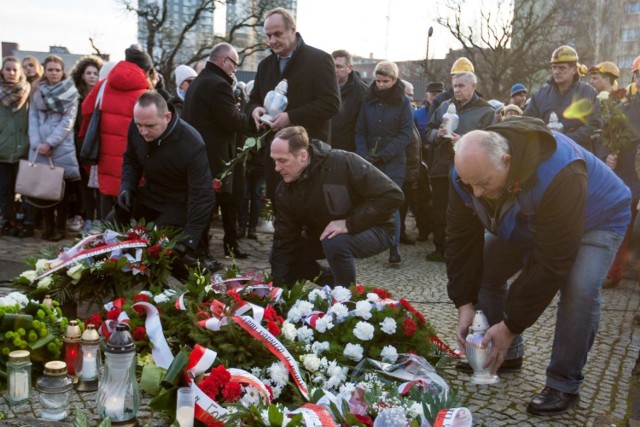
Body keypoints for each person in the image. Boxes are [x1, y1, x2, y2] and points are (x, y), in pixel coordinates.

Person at [447, 117, 630, 416]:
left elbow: (551, 261)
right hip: (532, 219)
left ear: (506, 161)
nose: (476, 193)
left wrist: (511, 324)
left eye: (483, 184)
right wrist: (464, 302)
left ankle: (563, 383)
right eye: (470, 185)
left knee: (578, 287)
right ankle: (503, 355)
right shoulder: (466, 174)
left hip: (597, 217)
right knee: (485, 262)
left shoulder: (560, 170)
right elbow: (459, 240)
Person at [269, 126, 404, 287]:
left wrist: (348, 223)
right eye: (274, 160)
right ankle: (332, 283)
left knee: (334, 241)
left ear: (303, 156)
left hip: (376, 227)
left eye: (282, 160)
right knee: (281, 255)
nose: (277, 168)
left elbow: (393, 195)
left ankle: (346, 299)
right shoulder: (285, 189)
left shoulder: (344, 162)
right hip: (325, 233)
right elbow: (284, 242)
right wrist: (276, 296)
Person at [114, 91, 217, 273]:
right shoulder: (136, 127)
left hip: (178, 204)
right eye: (139, 125)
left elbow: (202, 195)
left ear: (167, 117)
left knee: (157, 250)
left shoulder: (191, 143)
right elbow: (131, 160)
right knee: (111, 229)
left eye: (150, 126)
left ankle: (192, 276)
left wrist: (189, 240)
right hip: (149, 195)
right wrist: (126, 188)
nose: (143, 131)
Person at [246, 7, 340, 201]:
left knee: (310, 217)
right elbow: (253, 99)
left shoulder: (319, 60)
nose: (272, 40)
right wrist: (255, 110)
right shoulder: (265, 66)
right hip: (277, 159)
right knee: (281, 215)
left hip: (310, 156)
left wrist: (291, 117)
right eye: (269, 35)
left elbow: (331, 103)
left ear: (293, 30)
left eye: (278, 34)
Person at [183, 42, 253, 259]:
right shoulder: (218, 85)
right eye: (235, 64)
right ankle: (204, 251)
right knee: (213, 204)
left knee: (219, 203)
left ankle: (219, 246)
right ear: (225, 61)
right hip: (217, 157)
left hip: (201, 154)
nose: (235, 69)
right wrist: (254, 119)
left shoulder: (199, 82)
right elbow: (232, 121)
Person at [425, 70, 494, 262]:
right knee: (440, 209)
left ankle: (463, 250)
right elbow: (428, 130)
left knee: (465, 209)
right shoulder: (444, 107)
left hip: (469, 169)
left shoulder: (487, 111)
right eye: (455, 86)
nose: (457, 90)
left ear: (474, 86)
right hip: (441, 165)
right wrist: (436, 135)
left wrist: (464, 141)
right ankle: (440, 247)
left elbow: (492, 141)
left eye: (461, 86)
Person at [79, 44, 153, 220]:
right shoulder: (145, 92)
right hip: (132, 158)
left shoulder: (104, 85)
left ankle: (106, 240)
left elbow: (86, 109)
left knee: (106, 197)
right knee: (129, 199)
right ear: (145, 69)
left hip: (104, 154)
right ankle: (127, 243)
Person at [355, 61, 413, 264]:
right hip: (370, 159)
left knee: (392, 203)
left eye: (385, 81)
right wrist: (362, 154)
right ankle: (366, 242)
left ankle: (393, 246)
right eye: (378, 81)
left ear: (394, 80)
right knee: (368, 201)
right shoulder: (368, 99)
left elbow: (406, 133)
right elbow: (360, 130)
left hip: (393, 162)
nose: (380, 85)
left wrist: (386, 154)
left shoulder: (403, 101)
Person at [28, 55, 81, 241]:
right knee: (45, 191)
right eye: (50, 69)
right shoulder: (37, 91)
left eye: (57, 70)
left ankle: (60, 228)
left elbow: (68, 123)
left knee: (62, 192)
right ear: (45, 71)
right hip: (40, 148)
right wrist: (37, 144)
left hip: (60, 148)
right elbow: (32, 119)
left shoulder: (70, 93)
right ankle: (48, 227)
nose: (54, 73)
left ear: (62, 71)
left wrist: (50, 143)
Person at [524, 45, 601, 152]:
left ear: (574, 70)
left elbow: (594, 124)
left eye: (562, 68)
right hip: (545, 153)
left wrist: (566, 140)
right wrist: (545, 139)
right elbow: (527, 122)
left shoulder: (588, 93)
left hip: (577, 155)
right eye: (554, 67)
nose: (556, 71)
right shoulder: (540, 94)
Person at [69, 55, 104, 235]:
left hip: (99, 147)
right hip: (79, 145)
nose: (91, 76)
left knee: (99, 185)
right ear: (81, 75)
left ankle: (99, 219)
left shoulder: (104, 95)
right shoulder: (75, 96)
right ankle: (88, 218)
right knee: (85, 186)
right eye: (88, 73)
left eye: (95, 73)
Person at [0, 56, 32, 237]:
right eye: (8, 69)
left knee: (26, 189)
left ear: (20, 73)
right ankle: (7, 221)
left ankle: (27, 222)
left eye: (15, 70)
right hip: (3, 150)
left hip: (24, 149)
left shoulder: (28, 92)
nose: (11, 73)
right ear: (2, 71)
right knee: (5, 190)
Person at [412, 81, 444, 242]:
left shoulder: (445, 112)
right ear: (427, 96)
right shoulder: (417, 115)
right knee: (422, 198)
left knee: (439, 198)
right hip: (422, 158)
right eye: (433, 94)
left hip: (440, 158)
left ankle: (438, 230)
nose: (435, 97)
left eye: (439, 94)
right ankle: (423, 229)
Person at [330, 49, 368, 153]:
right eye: (331, 66)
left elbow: (364, 127)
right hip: (323, 150)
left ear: (349, 68)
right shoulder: (321, 87)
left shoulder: (363, 93)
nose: (334, 70)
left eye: (339, 66)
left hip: (348, 153)